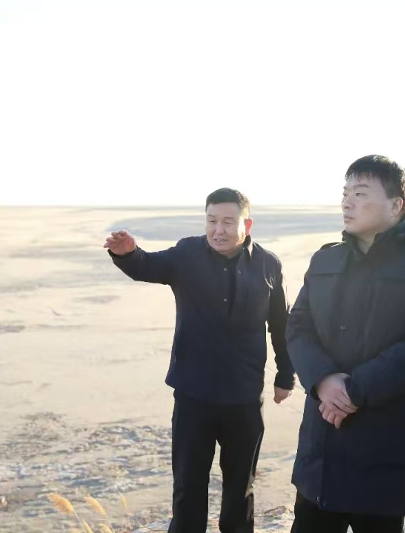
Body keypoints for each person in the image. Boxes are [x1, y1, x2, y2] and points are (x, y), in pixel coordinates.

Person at [286, 155, 405, 533]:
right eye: (345, 193)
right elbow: (298, 326)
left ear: (395, 205)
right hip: (323, 445)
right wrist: (323, 380)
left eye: (361, 193)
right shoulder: (325, 259)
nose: (347, 202)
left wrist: (351, 390)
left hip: (385, 444)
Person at [104, 188, 295, 533]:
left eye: (228, 222)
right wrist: (128, 253)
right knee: (188, 488)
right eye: (211, 221)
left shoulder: (269, 264)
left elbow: (280, 324)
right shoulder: (187, 253)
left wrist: (285, 375)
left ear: (247, 224)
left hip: (244, 398)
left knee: (240, 489)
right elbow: (148, 265)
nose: (218, 230)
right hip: (194, 396)